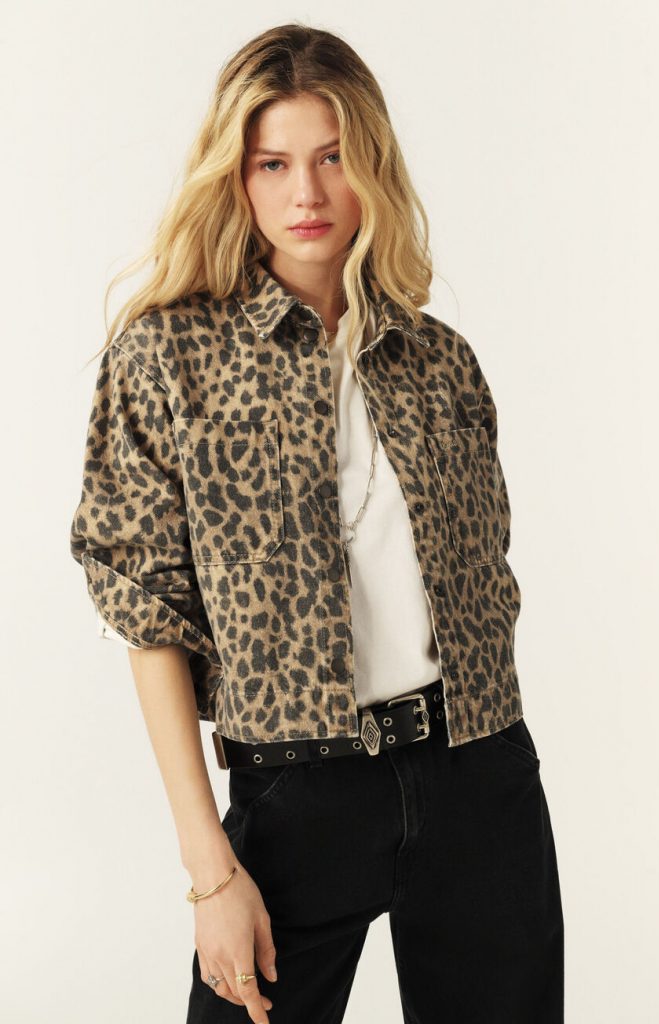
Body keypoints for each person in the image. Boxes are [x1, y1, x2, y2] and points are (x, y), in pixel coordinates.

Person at [69, 22, 564, 1024]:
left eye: (333, 158)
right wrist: (212, 870)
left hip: (478, 775)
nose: (307, 192)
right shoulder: (168, 358)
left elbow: (487, 573)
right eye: (274, 163)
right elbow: (146, 615)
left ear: (370, 166)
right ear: (236, 176)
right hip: (294, 794)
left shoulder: (437, 360)